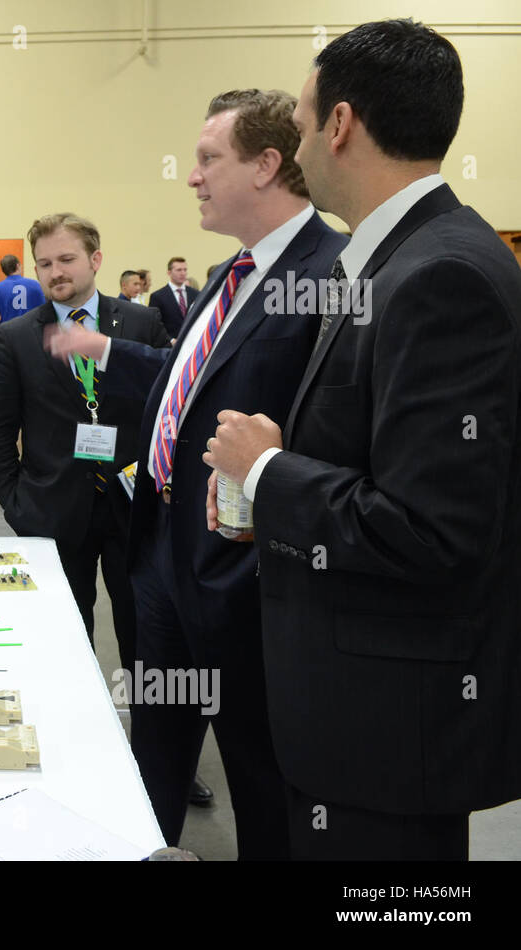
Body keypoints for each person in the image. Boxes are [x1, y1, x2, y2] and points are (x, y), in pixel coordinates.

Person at [205, 19, 521, 860]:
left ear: (340, 125)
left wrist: (267, 471)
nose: (298, 142)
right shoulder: (392, 264)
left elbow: (431, 528)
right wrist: (282, 473)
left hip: (388, 732)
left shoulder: (439, 276)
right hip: (357, 715)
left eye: (303, 121)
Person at [125, 89, 348, 858]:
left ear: (266, 164)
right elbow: (188, 381)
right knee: (153, 748)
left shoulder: (332, 274)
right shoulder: (232, 271)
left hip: (246, 573)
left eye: (208, 159)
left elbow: (333, 435)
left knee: (259, 773)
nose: (192, 176)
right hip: (162, 551)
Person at [0, 213, 170, 665]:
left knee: (145, 639)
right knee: (64, 642)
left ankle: (144, 735)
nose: (55, 272)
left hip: (135, 508)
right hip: (52, 511)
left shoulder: (143, 323)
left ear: (96, 259)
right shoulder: (16, 337)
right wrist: (16, 503)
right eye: (44, 263)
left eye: (66, 258)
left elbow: (170, 404)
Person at [0, 254, 45, 330]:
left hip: (7, 335)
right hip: (32, 333)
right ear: (18, 265)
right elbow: (44, 313)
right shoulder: (36, 285)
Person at [148, 257, 193, 339]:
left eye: (185, 270)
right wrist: (170, 340)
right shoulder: (158, 296)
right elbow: (154, 325)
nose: (183, 273)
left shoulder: (195, 294)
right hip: (169, 345)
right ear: (169, 273)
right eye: (179, 270)